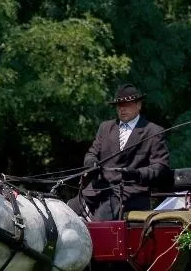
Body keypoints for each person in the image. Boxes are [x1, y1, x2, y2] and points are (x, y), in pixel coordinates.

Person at [71, 83, 170, 221]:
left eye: (127, 105)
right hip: (99, 189)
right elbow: (92, 153)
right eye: (119, 106)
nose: (122, 109)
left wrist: (137, 174)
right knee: (67, 212)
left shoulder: (153, 131)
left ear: (139, 105)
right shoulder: (105, 128)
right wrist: (91, 164)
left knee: (100, 222)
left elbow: (161, 167)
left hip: (130, 193)